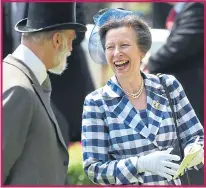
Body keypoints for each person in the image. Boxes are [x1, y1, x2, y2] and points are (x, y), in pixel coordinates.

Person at [81, 8, 204, 185]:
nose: (117, 53)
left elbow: (196, 136)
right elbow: (94, 169)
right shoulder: (97, 102)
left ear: (142, 51)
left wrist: (195, 148)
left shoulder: (168, 86)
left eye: (124, 45)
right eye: (110, 47)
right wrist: (140, 164)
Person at [3, 2, 86, 185]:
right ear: (57, 40)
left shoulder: (23, 79)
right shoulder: (19, 89)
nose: (71, 48)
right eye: (70, 39)